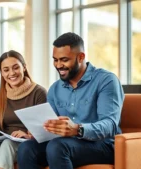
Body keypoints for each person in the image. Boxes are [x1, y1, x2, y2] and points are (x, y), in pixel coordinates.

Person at [17, 32, 125, 169]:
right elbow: (52, 125)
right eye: (55, 60)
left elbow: (110, 125)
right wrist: (40, 131)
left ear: (81, 57)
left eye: (64, 60)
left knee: (57, 147)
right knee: (26, 148)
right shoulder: (55, 89)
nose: (58, 65)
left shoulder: (106, 81)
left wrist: (78, 129)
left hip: (103, 144)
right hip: (66, 143)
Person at [0, 50, 47, 169]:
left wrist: (27, 135)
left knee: (7, 144)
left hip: (27, 142)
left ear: (24, 67)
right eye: (6, 70)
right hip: (4, 139)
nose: (12, 73)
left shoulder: (39, 92)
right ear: (1, 73)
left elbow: (42, 129)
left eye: (16, 67)